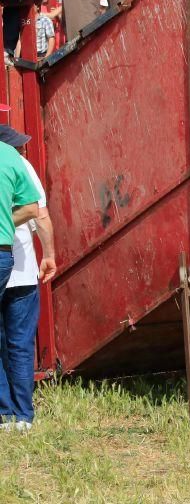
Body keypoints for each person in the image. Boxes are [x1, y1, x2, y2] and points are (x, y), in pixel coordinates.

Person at [0, 126, 54, 432]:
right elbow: (40, 214)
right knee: (20, 344)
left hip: (7, 266)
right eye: (18, 146)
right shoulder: (22, 166)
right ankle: (24, 416)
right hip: (21, 271)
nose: (22, 151)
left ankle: (5, 414)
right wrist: (49, 254)